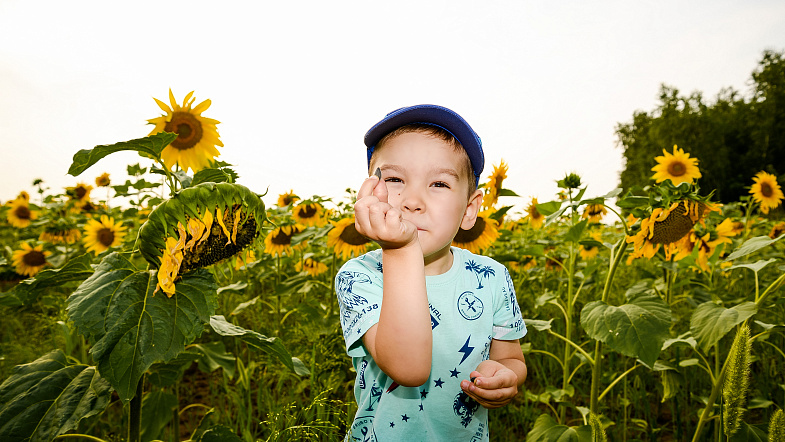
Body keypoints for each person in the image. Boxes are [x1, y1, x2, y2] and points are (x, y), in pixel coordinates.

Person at [336, 104, 527, 441]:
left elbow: (511, 357)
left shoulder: (491, 278)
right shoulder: (361, 277)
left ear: (470, 210)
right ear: (370, 192)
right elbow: (408, 368)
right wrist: (401, 249)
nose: (412, 200)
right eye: (394, 179)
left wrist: (506, 376)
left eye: (438, 183)